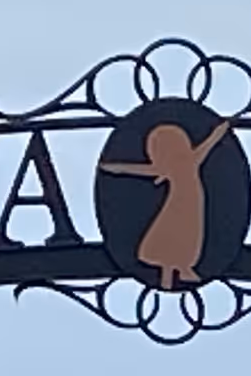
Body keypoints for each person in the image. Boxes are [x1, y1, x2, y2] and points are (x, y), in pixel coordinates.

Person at [100, 119, 234, 289]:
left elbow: (209, 143)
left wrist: (220, 131)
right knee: (175, 233)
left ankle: (179, 271)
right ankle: (173, 274)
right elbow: (139, 170)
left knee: (186, 234)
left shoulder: (188, 161)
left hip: (190, 203)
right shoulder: (182, 163)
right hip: (182, 202)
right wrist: (115, 168)